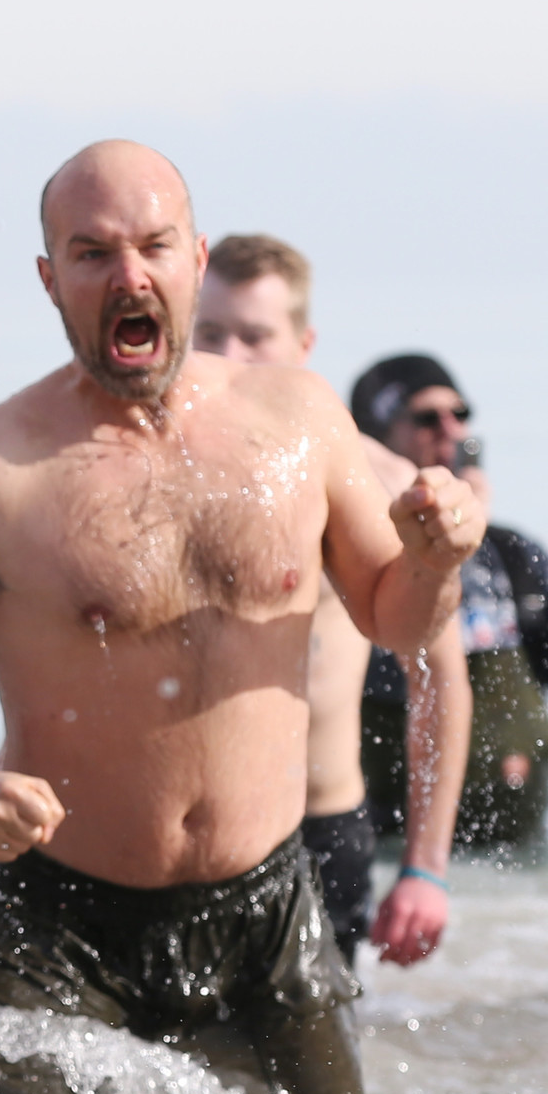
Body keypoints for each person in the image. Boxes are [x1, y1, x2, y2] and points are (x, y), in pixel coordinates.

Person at [0, 142, 483, 1094]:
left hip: (263, 919)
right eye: (90, 252)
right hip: (51, 920)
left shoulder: (297, 422)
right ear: (46, 279)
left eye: (152, 245)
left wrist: (436, 558)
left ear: (194, 260)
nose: (127, 274)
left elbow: (397, 619)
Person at [195, 235, 467, 966]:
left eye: (256, 336)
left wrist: (424, 868)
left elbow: (438, 675)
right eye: (211, 334)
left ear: (304, 344)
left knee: (303, 1079)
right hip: (165, 844)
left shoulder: (379, 482)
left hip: (316, 831)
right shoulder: (141, 470)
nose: (231, 356)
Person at [352, 353, 548, 855]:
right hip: (387, 866)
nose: (450, 429)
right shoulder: (351, 561)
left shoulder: (509, 555)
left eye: (460, 414)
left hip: (517, 897)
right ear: (375, 440)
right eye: (425, 418)